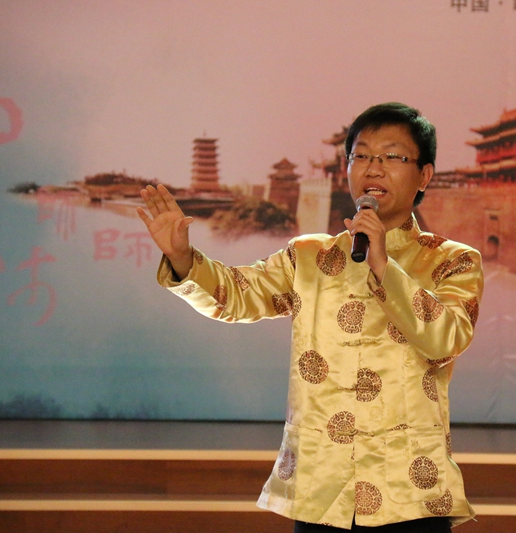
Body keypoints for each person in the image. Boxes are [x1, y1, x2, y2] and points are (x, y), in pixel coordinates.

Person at [137, 102, 484, 532]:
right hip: (321, 489)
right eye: (361, 155)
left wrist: (382, 265)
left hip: (410, 491)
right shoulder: (308, 256)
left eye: (392, 156)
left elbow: (445, 340)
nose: (374, 168)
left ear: (424, 175)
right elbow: (235, 296)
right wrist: (182, 258)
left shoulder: (453, 261)